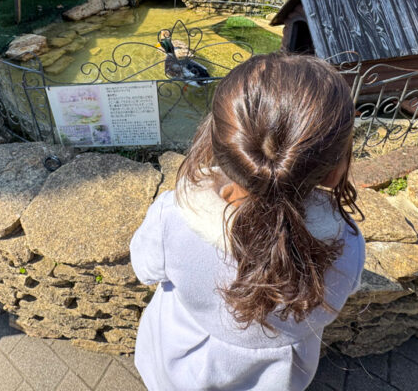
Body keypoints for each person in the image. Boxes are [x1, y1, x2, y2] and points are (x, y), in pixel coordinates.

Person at [130, 53, 365, 390]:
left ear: (220, 143)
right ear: (334, 169)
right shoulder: (347, 243)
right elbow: (345, 291)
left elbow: (145, 269)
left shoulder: (174, 216)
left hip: (179, 371)